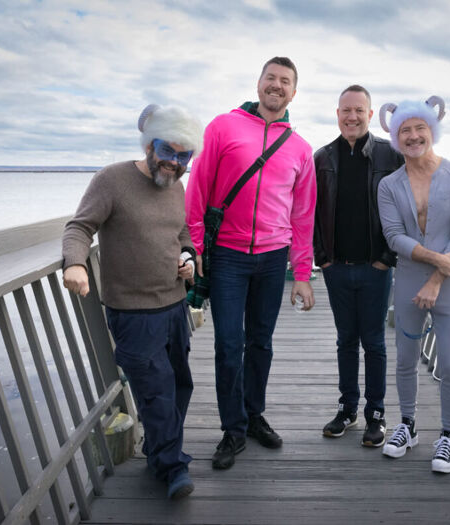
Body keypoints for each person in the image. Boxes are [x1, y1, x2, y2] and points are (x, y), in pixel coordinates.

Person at [61, 103, 203, 498]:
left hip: (174, 307)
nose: (174, 162)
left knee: (180, 387)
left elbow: (183, 235)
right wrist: (76, 264)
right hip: (133, 314)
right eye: (167, 150)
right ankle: (174, 469)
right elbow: (79, 227)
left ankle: (159, 452)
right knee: (157, 392)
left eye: (183, 155)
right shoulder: (112, 180)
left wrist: (189, 258)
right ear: (149, 144)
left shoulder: (176, 186)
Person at [185, 57, 317, 470]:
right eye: (271, 78)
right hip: (226, 256)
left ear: (293, 93)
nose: (276, 86)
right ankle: (233, 428)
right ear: (258, 83)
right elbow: (197, 188)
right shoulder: (222, 127)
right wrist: (194, 247)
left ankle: (254, 414)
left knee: (261, 342)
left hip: (273, 258)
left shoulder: (300, 148)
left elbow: (303, 215)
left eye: (285, 82)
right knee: (228, 345)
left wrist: (302, 273)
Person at [376, 96, 450, 473]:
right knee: (405, 359)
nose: (414, 136)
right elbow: (393, 235)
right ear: (396, 137)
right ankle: (408, 426)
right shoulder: (389, 185)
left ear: (432, 131)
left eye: (420, 128)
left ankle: (448, 437)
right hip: (407, 279)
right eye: (405, 130)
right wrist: (434, 260)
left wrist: (436, 277)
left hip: (449, 283)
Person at [313, 85, 404, 447]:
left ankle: (376, 415)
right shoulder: (322, 158)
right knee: (345, 341)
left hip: (374, 267)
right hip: (336, 268)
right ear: (337, 114)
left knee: (375, 343)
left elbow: (407, 207)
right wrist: (322, 258)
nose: (352, 116)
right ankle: (348, 409)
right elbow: (310, 212)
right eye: (345, 110)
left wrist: (388, 258)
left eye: (359, 110)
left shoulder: (389, 154)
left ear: (370, 115)